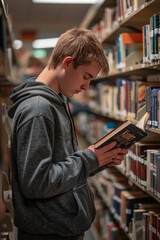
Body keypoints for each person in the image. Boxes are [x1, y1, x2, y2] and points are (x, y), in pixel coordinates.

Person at [8, 28, 128, 240]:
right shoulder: (38, 109)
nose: (86, 87)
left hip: (60, 228)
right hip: (49, 232)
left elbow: (60, 164)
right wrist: (88, 159)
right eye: (86, 76)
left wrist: (98, 160)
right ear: (67, 62)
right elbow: (37, 183)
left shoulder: (56, 101)